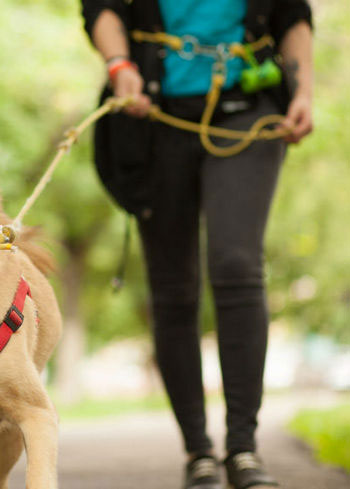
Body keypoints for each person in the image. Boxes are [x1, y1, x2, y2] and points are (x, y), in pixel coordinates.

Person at [80, 1, 313, 488]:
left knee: (236, 264)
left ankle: (243, 448)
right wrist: (119, 64)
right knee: (173, 287)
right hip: (153, 113)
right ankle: (199, 452)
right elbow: (101, 5)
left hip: (248, 107)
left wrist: (304, 89)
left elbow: (292, 10)